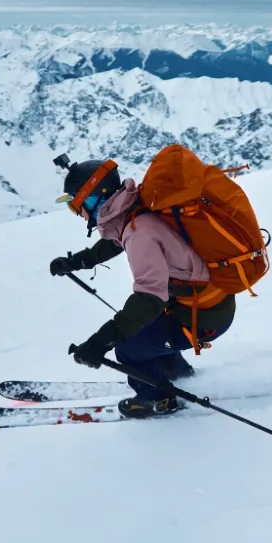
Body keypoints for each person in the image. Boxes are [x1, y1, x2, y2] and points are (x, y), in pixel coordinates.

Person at [47, 155, 236, 419]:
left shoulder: (139, 232)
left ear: (92, 200)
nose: (77, 214)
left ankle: (161, 401)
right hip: (202, 302)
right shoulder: (135, 209)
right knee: (147, 330)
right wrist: (77, 262)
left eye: (75, 206)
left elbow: (148, 298)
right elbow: (116, 239)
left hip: (203, 316)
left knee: (129, 349)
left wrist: (101, 342)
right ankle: (176, 374)